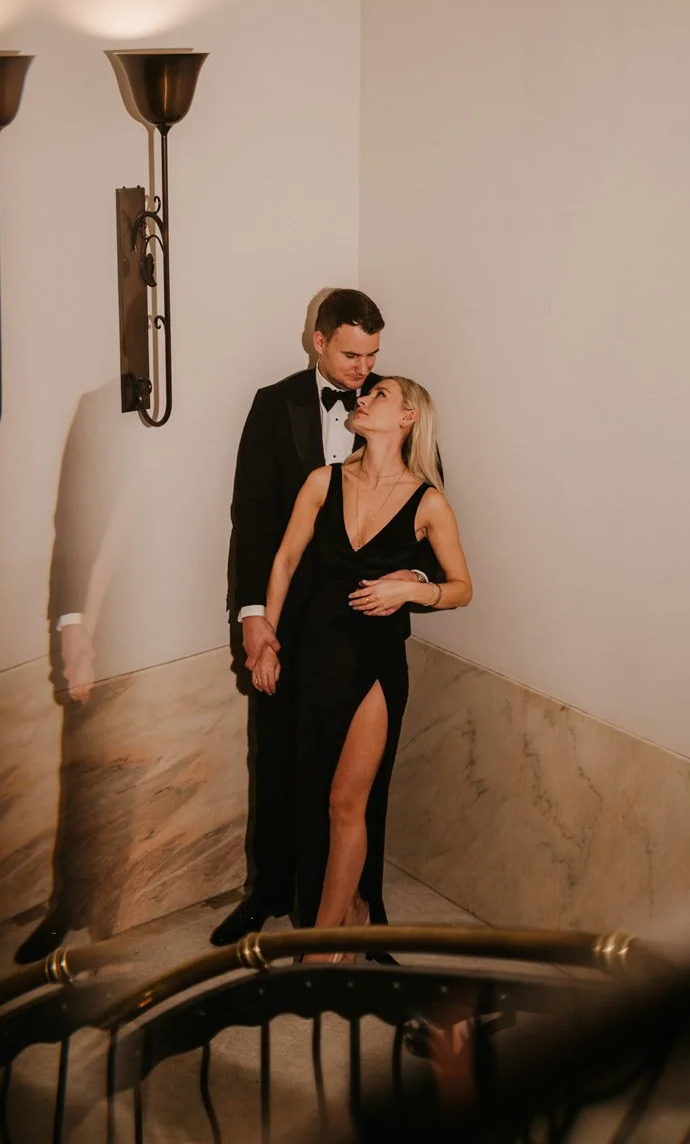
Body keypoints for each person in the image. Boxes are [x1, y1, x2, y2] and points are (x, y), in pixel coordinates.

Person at [210, 289, 437, 948]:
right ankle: (269, 893)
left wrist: (413, 581)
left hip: (366, 629)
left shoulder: (396, 406)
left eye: (372, 355)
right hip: (290, 624)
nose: (362, 370)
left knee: (362, 781)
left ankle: (363, 904)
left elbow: (426, 512)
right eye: (350, 355)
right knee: (278, 759)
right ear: (318, 341)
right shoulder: (272, 404)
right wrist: (254, 617)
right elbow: (254, 522)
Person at [252, 376, 472, 956]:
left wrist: (413, 590)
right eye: (367, 394)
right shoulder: (322, 481)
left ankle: (323, 943)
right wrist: (267, 639)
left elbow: (461, 587)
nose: (364, 399)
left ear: (407, 419)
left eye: (380, 396)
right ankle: (352, 908)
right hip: (313, 656)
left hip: (375, 664)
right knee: (315, 798)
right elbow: (285, 560)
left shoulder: (428, 501)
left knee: (347, 802)